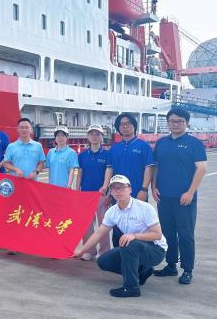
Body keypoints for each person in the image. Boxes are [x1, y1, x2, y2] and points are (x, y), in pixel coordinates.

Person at [74, 175, 167, 298]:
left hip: (155, 250)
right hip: (134, 247)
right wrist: (82, 250)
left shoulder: (144, 208)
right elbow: (98, 233)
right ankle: (142, 271)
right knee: (103, 261)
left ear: (130, 189)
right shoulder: (112, 211)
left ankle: (131, 287)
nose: (118, 191)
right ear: (111, 192)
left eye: (122, 187)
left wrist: (134, 236)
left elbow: (157, 234)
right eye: (114, 188)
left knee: (128, 245)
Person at [152, 108, 207, 284]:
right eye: (172, 121)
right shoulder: (161, 143)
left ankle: (188, 270)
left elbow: (201, 168)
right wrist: (154, 187)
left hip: (185, 198)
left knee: (185, 234)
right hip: (164, 197)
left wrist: (190, 192)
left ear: (187, 123)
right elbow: (156, 166)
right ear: (168, 123)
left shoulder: (194, 143)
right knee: (167, 233)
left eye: (180, 121)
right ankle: (170, 265)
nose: (176, 124)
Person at [108, 113, 154, 247]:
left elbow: (149, 168)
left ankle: (140, 263)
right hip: (117, 194)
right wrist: (108, 190)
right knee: (118, 228)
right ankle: (119, 259)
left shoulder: (143, 146)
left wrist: (144, 189)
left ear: (134, 126)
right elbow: (110, 170)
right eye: (122, 124)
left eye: (128, 123)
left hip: (137, 193)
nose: (125, 126)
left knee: (140, 227)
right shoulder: (114, 148)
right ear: (118, 128)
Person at [76, 124, 113, 260]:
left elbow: (109, 171)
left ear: (102, 137)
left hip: (101, 194)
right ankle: (89, 250)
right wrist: (77, 190)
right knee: (86, 224)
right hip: (85, 194)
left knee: (104, 223)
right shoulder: (82, 155)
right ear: (88, 137)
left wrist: (105, 187)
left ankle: (104, 252)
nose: (94, 136)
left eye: (97, 134)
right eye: (92, 134)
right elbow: (79, 174)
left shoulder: (107, 154)